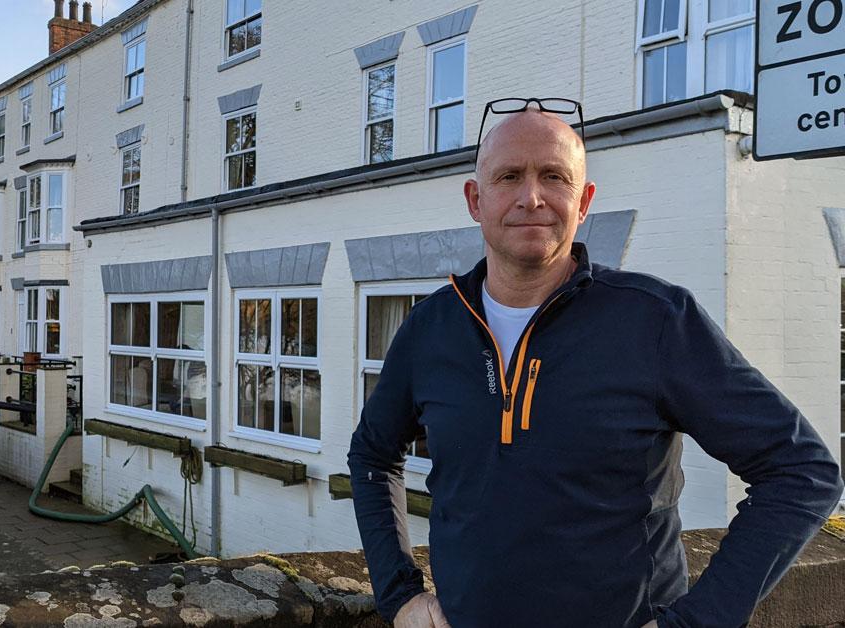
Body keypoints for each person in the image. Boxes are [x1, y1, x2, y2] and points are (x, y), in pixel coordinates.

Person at [346, 104, 844, 628]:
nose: (531, 197)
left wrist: (696, 621)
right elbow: (373, 456)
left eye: (554, 177)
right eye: (509, 176)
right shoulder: (431, 327)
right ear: (476, 200)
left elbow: (801, 471)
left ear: (583, 202)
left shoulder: (653, 320)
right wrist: (399, 594)